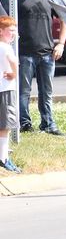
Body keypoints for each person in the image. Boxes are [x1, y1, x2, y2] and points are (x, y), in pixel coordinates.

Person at [17, 0, 66, 135]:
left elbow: (64, 19)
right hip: (24, 53)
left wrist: (60, 44)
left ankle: (48, 124)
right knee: (23, 91)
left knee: (46, 91)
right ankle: (24, 124)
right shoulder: (19, 0)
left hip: (47, 53)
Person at [0, 17, 20, 172]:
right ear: (1, 31)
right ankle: (3, 158)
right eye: (10, 30)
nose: (13, 34)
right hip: (5, 89)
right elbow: (14, 62)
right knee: (5, 126)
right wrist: (14, 73)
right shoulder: (6, 47)